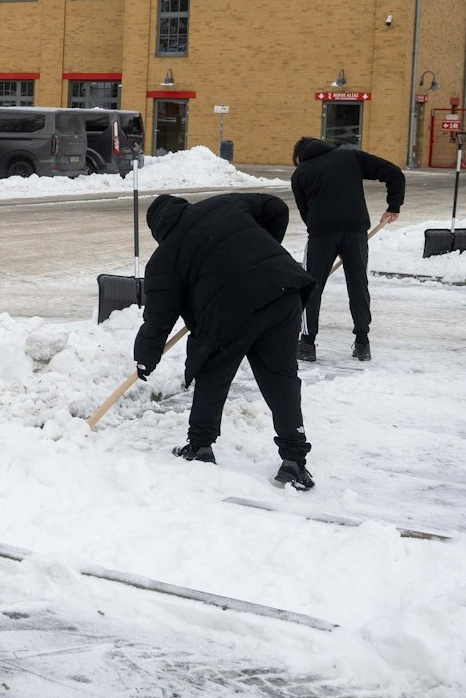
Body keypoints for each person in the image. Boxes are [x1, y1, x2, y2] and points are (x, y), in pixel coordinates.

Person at [133, 193, 317, 489]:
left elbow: (157, 320)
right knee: (281, 378)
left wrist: (145, 358)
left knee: (212, 374)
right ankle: (294, 461)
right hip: (282, 291)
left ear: (158, 231)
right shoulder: (224, 204)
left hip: (228, 311)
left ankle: (200, 446)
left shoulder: (164, 258)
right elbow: (276, 208)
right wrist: (261, 253)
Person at [290, 137, 405, 363]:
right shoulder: (349, 156)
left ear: (298, 157)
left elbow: (306, 213)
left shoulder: (300, 173)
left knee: (310, 287)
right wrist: (393, 206)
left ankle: (307, 344)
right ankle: (362, 343)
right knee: (358, 285)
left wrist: (323, 230)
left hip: (322, 232)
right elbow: (395, 173)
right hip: (355, 231)